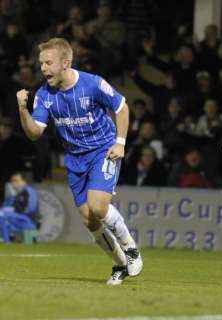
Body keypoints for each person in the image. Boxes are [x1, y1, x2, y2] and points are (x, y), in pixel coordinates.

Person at [16, 38, 142, 285]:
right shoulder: (44, 94)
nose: (42, 68)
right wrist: (23, 109)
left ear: (66, 63)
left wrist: (120, 142)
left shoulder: (92, 84)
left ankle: (131, 249)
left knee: (98, 205)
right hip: (75, 158)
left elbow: (122, 107)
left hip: (103, 150)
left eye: (48, 63)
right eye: (41, 63)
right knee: (89, 220)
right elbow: (34, 132)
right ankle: (119, 264)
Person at [0, 172, 38, 243]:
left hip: (27, 221)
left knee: (2, 215)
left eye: (17, 181)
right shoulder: (15, 195)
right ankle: (6, 241)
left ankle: (6, 240)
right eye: (12, 181)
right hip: (16, 221)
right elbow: (6, 208)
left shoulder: (29, 191)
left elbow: (30, 209)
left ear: (24, 182)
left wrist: (10, 211)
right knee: (3, 220)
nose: (14, 183)